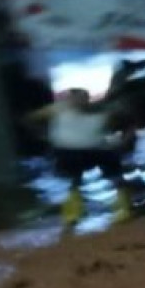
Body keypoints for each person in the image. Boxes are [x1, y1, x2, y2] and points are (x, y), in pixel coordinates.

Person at [29, 89, 131, 226]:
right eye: (74, 98)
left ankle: (123, 209)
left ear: (87, 98)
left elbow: (127, 122)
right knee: (71, 182)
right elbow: (32, 119)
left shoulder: (102, 110)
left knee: (115, 178)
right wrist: (44, 136)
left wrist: (122, 140)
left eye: (82, 98)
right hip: (68, 150)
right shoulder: (58, 109)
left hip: (98, 148)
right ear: (69, 99)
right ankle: (73, 214)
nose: (78, 101)